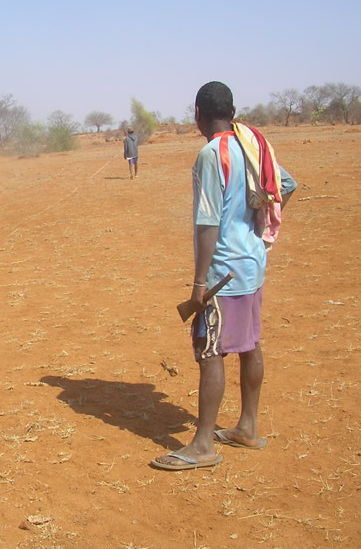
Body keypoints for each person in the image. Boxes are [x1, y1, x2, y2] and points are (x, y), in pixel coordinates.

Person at [151, 82, 295, 470]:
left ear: (198, 113)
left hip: (221, 275)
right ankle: (247, 427)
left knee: (209, 352)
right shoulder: (253, 145)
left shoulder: (212, 155)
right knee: (249, 344)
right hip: (252, 267)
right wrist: (254, 227)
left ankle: (202, 446)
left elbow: (207, 222)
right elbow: (285, 185)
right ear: (231, 111)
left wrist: (199, 283)